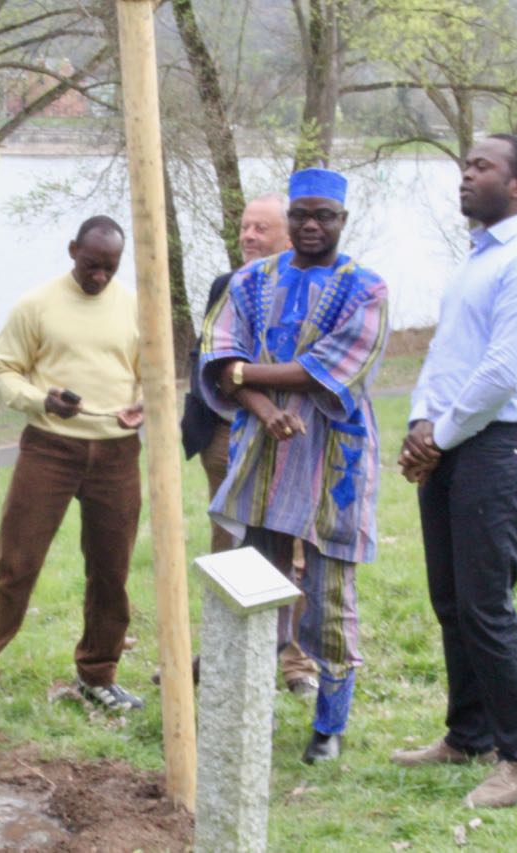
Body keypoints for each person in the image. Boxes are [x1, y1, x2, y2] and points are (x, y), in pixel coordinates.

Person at [392, 134, 517, 809]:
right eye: (465, 165)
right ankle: (468, 734)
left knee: (486, 604)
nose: (464, 176)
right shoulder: (477, 259)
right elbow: (447, 353)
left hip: (503, 445)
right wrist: (419, 424)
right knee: (451, 599)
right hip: (454, 441)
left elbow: (504, 369)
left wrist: (439, 434)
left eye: (480, 167)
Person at [199, 168, 389, 764]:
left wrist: (244, 375)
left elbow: (325, 370)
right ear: (291, 218)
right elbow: (218, 352)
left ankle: (328, 725)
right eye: (302, 214)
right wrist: (257, 402)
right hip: (262, 452)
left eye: (323, 216)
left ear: (341, 221)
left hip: (334, 457)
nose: (311, 225)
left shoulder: (367, 290)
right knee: (254, 579)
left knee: (330, 592)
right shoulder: (251, 281)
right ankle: (242, 706)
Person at [0, 216, 146, 713]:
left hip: (117, 452)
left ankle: (98, 674)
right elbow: (2, 370)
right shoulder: (36, 305)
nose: (99, 276)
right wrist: (42, 399)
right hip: (50, 447)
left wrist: (141, 405)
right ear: (71, 249)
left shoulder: (134, 306)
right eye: (90, 265)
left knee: (111, 570)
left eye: (110, 267)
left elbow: (151, 374)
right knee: (16, 564)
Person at [178, 193, 319, 697]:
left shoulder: (313, 290)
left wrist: (252, 388)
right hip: (223, 434)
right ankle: (221, 656)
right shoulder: (227, 285)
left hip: (291, 441)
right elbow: (208, 358)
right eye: (244, 227)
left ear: (289, 236)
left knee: (293, 551)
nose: (249, 236)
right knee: (229, 545)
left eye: (262, 228)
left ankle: (296, 664)